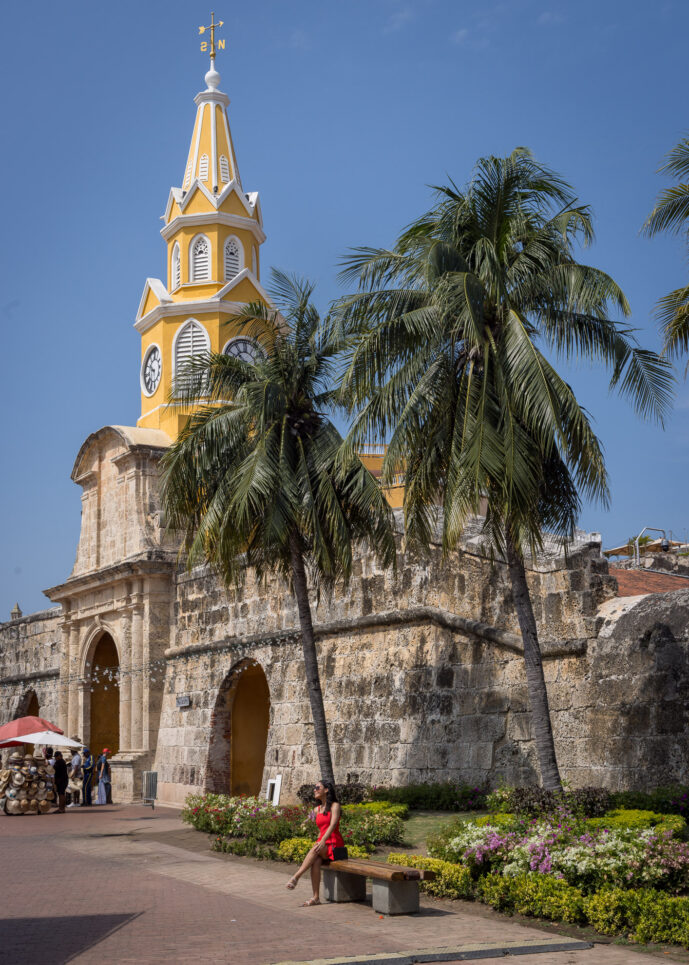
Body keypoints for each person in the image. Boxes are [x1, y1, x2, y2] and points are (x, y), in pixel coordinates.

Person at [286, 779, 344, 906]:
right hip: (323, 845)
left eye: (318, 787)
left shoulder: (335, 806)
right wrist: (319, 840)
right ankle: (316, 898)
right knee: (316, 861)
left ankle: (296, 876)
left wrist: (322, 841)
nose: (315, 790)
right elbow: (321, 830)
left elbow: (333, 825)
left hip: (334, 844)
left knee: (316, 849)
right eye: (314, 787)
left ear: (326, 790)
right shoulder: (317, 809)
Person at [67, 741, 82, 807]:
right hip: (77, 774)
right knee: (76, 789)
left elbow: (75, 767)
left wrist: (73, 775)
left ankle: (75, 802)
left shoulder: (76, 757)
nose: (70, 752)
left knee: (74, 788)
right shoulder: (77, 756)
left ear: (74, 751)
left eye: (71, 751)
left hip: (76, 775)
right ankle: (76, 802)